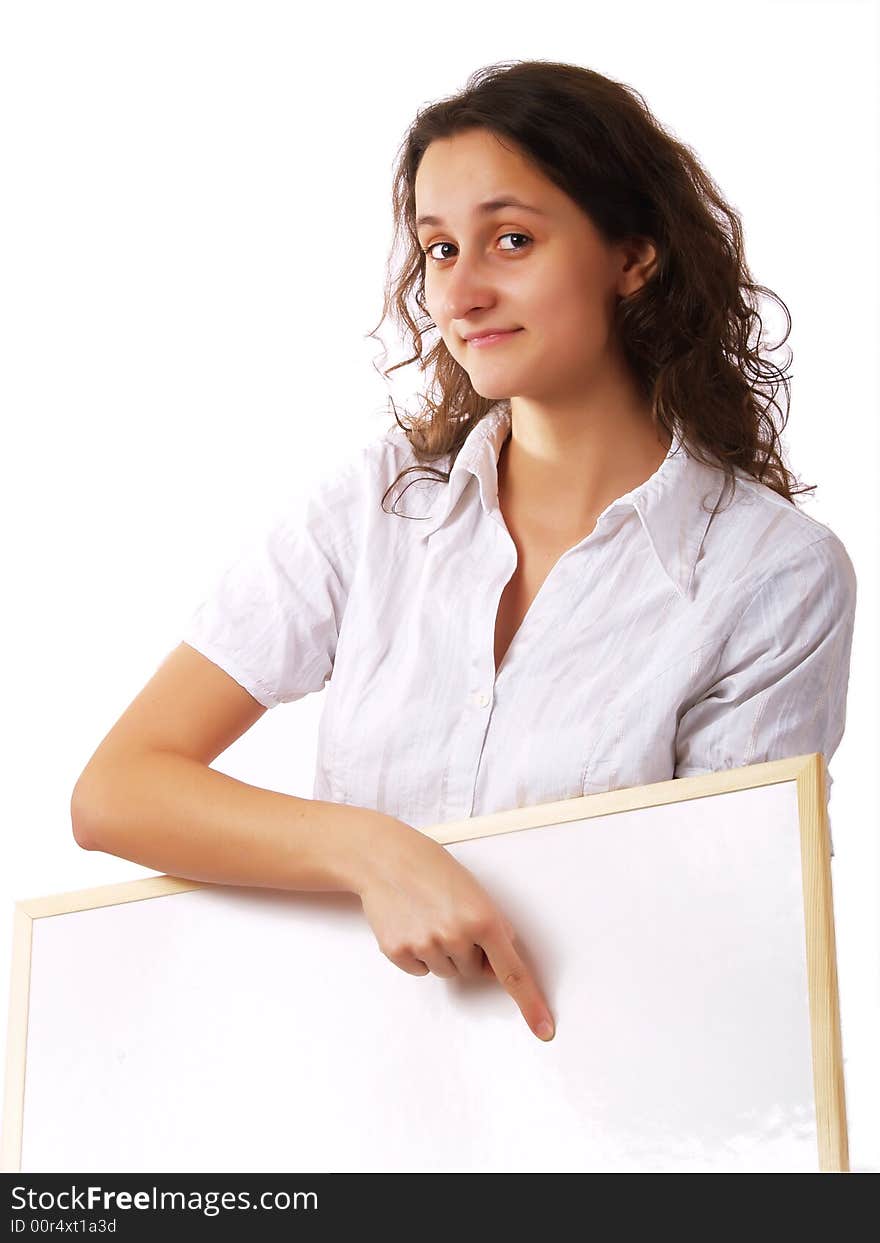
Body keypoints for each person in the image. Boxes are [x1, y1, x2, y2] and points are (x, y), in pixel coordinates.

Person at [69, 60, 857, 1046]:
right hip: (349, 1091)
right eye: (440, 249)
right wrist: (372, 850)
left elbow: (724, 930)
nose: (464, 290)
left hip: (621, 1113)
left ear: (634, 256)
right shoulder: (375, 507)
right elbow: (117, 792)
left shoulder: (770, 573)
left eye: (511, 240)